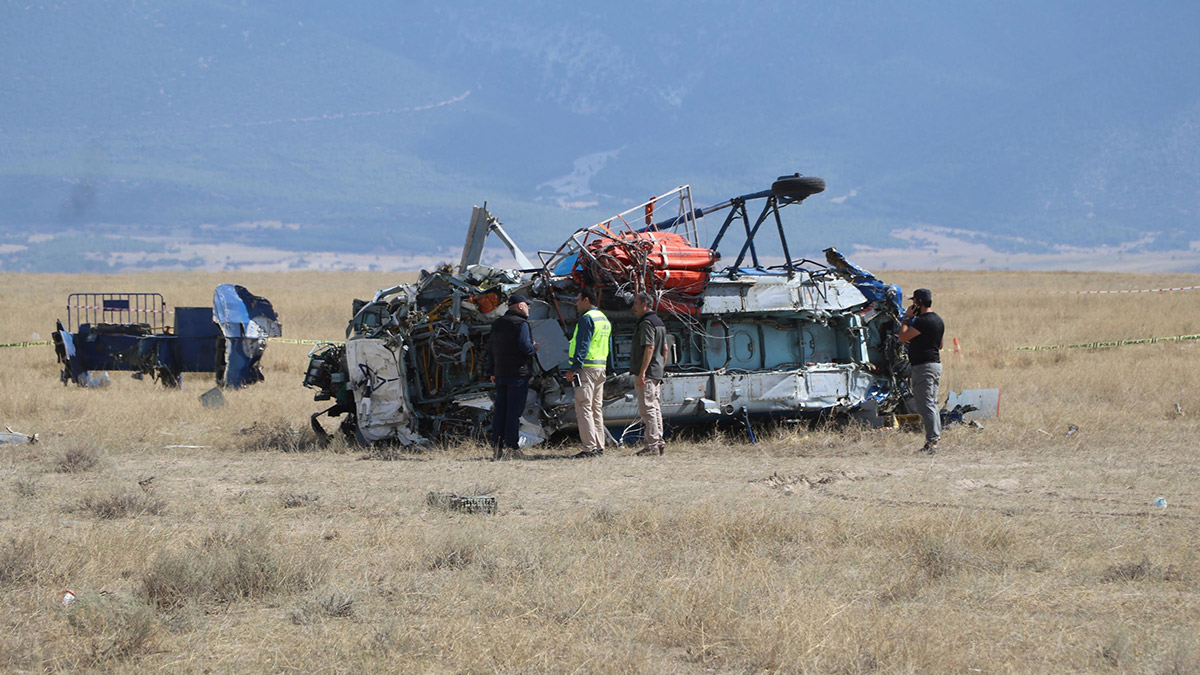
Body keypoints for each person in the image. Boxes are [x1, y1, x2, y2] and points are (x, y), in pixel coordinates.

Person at [485, 294, 538, 459]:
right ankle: (513, 448)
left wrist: (492, 371)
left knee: (500, 411)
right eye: (527, 305)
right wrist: (534, 348)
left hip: (500, 374)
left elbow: (491, 349)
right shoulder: (521, 324)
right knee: (513, 413)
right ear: (521, 306)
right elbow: (525, 347)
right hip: (518, 375)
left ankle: (497, 447)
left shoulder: (497, 324)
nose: (529, 308)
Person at [564, 287, 611, 458]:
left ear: (586, 300)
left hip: (586, 369)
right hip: (600, 368)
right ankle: (599, 446)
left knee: (584, 407)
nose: (576, 304)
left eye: (577, 300)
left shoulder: (587, 318)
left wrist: (573, 368)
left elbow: (582, 345)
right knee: (596, 408)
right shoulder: (603, 319)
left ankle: (589, 448)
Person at [897, 288, 945, 454]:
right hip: (934, 365)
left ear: (919, 303)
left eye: (913, 302)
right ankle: (933, 440)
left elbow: (902, 337)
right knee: (931, 403)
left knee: (925, 405)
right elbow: (940, 345)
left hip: (924, 367)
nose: (912, 306)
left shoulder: (921, 321)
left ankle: (932, 443)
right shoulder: (938, 320)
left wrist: (906, 319)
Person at [631, 292, 668, 456]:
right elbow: (665, 349)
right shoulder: (659, 322)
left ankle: (652, 445)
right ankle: (659, 442)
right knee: (655, 408)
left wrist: (643, 372)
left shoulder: (646, 323)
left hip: (648, 372)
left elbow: (649, 347)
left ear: (645, 304)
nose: (634, 307)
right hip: (657, 371)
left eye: (636, 303)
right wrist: (661, 368)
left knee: (647, 409)